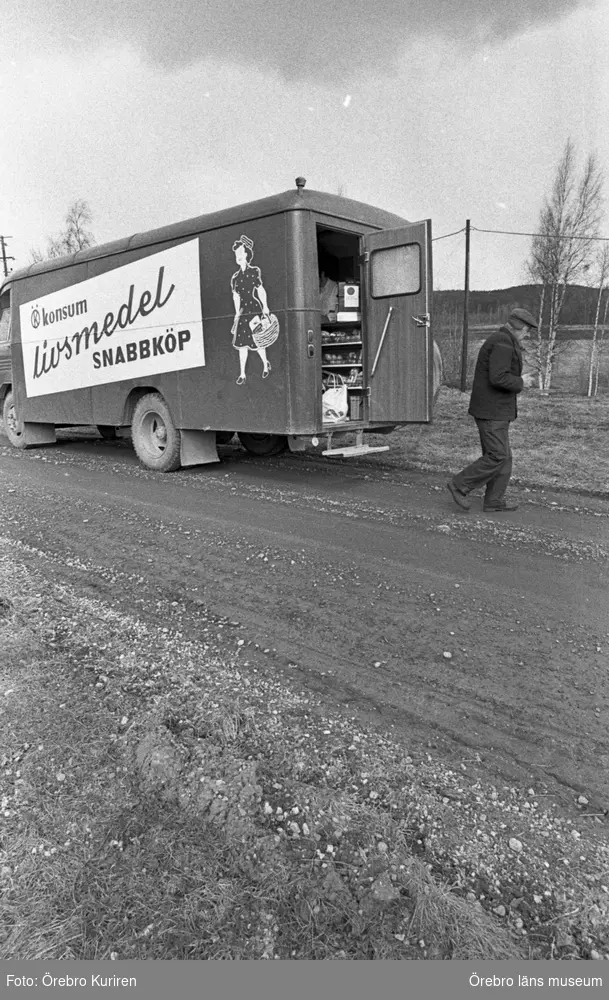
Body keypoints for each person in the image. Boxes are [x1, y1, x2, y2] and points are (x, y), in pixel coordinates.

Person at [446, 307, 538, 512]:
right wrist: (521, 381)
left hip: (495, 411)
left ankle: (494, 500)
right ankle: (459, 485)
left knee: (504, 457)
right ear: (518, 326)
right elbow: (498, 377)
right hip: (491, 412)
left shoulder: (502, 340)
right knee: (497, 455)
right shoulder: (502, 343)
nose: (528, 334)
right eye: (527, 330)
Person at [230, 235, 273, 385]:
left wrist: (265, 307)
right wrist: (236, 313)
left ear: (247, 254)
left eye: (241, 253)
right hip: (242, 311)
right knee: (242, 344)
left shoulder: (254, 271)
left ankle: (265, 363)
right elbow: (236, 296)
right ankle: (242, 373)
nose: (238, 257)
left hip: (254, 309)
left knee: (258, 339)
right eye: (236, 255)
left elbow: (260, 290)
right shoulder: (235, 277)